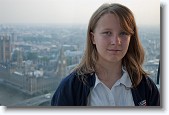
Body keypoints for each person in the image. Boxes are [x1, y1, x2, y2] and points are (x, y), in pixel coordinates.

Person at [51, 3, 160, 106]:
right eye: (107, 33)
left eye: (123, 33)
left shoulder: (145, 87)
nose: (115, 41)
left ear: (131, 38)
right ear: (93, 38)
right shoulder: (71, 88)